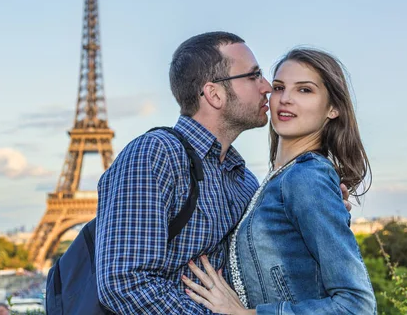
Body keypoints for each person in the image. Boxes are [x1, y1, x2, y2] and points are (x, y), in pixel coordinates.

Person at [96, 33, 351, 314]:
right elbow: (124, 282)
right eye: (253, 76)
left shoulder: (243, 180)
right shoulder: (157, 154)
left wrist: (316, 210)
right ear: (214, 94)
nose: (267, 87)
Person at [181, 48, 377, 314]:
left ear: (333, 108)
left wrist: (247, 314)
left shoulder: (307, 177)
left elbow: (357, 306)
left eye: (304, 90)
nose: (286, 99)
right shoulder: (275, 180)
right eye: (279, 87)